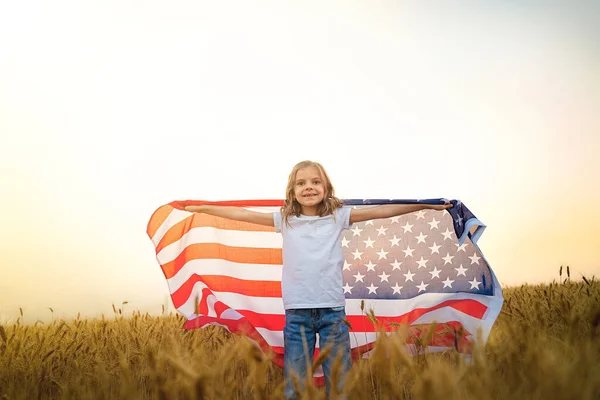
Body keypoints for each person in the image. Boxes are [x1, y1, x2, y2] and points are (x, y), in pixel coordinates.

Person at [185, 160, 452, 399]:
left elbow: (381, 211)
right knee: (295, 386)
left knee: (338, 384)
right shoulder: (285, 220)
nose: (308, 187)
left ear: (326, 188)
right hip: (297, 313)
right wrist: (203, 208)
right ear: (292, 192)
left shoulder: (338, 217)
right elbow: (244, 214)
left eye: (315, 182)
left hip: (332, 312)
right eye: (301, 183)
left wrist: (425, 205)